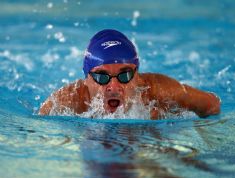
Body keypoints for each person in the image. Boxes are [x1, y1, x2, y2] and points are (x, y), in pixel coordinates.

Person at [39, 29, 220, 119]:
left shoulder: (158, 91)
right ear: (87, 79)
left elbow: (212, 105)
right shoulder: (67, 102)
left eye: (125, 75)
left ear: (137, 76)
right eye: (102, 77)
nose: (114, 87)